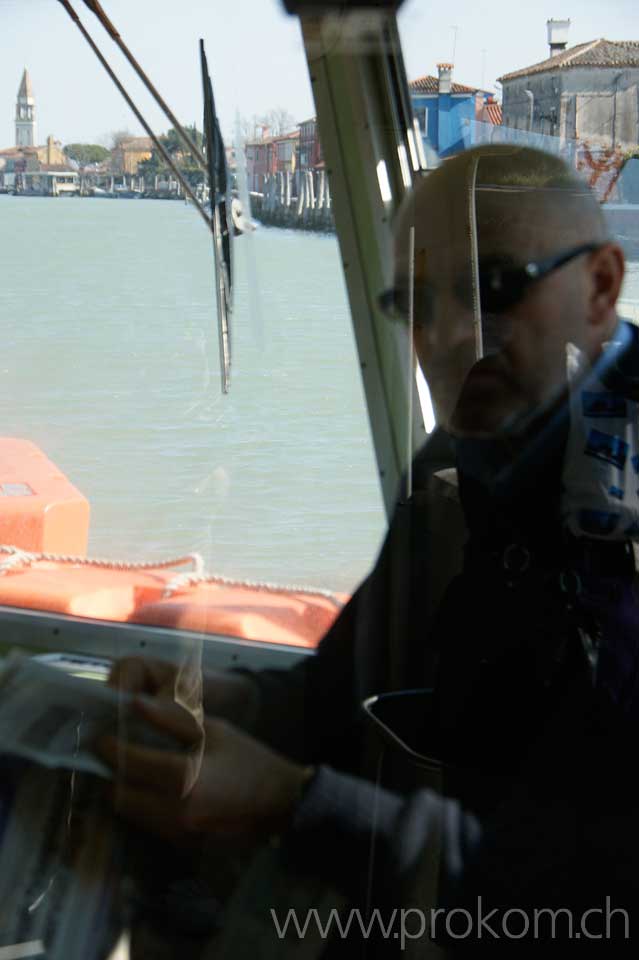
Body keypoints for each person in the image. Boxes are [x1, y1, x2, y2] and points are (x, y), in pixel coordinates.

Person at [99, 145, 639, 953]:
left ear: (599, 287)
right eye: (412, 303)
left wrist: (293, 803)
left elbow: (605, 897)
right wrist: (222, 701)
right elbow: (351, 684)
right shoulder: (459, 462)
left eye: (493, 289)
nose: (447, 336)